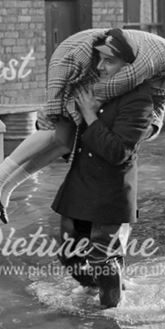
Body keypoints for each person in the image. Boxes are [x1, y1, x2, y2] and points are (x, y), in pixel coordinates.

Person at [0, 28, 165, 221]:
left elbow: (158, 106)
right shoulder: (160, 54)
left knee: (64, 143)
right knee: (58, 132)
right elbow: (116, 85)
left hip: (97, 65)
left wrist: (149, 129)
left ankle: (7, 186)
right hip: (74, 56)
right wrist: (78, 106)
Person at [51, 35, 157, 308]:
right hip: (80, 183)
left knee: (101, 257)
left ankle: (110, 312)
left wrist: (89, 115)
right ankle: (105, 286)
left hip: (110, 190)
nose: (100, 66)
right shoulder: (96, 88)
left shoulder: (140, 98)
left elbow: (118, 152)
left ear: (129, 66)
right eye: (99, 59)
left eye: (109, 61)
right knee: (68, 252)